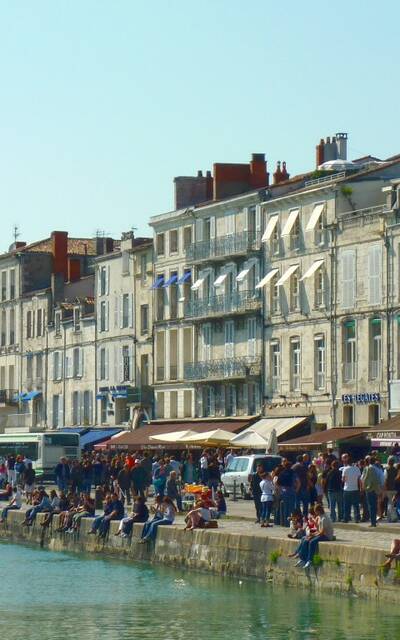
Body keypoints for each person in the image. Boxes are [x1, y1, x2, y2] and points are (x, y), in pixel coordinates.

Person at [290, 504, 334, 569]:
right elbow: (318, 530)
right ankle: (302, 558)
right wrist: (312, 534)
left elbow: (322, 533)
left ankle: (309, 560)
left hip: (327, 536)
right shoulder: (319, 517)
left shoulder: (324, 518)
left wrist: (312, 536)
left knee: (311, 542)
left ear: (318, 511)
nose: (315, 513)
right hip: (321, 534)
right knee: (304, 538)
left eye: (315, 511)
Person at [361, 456, 382, 527]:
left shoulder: (369, 468)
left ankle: (373, 522)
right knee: (374, 506)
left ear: (369, 461)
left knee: (371, 506)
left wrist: (366, 487)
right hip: (376, 489)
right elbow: (381, 479)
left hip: (371, 489)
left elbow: (365, 479)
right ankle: (374, 521)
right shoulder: (378, 469)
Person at [341, 454, 361, 523]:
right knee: (356, 505)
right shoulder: (357, 469)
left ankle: (346, 518)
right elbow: (359, 480)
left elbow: (343, 480)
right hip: (355, 489)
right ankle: (357, 518)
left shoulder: (345, 469)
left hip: (347, 489)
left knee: (346, 505)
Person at [277, 459, 296, 527]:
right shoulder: (293, 472)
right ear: (290, 466)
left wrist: (281, 490)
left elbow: (278, 483)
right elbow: (298, 482)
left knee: (285, 508)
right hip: (291, 491)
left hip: (284, 491)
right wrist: (296, 489)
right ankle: (292, 523)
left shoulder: (281, 473)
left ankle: (286, 523)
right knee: (291, 508)